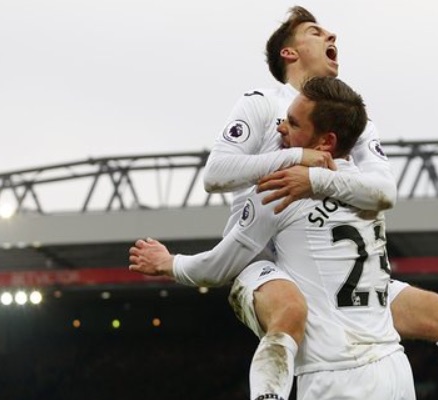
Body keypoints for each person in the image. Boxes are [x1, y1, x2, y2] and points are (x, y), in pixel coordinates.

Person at [202, 5, 438, 400]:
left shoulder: (352, 120)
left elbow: (383, 193)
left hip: (331, 266)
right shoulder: (261, 103)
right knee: (291, 311)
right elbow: (216, 174)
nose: (332, 37)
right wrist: (295, 157)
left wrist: (315, 177)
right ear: (289, 53)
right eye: (316, 32)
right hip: (259, 261)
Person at [130, 76, 416, 400]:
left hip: (336, 378)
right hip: (395, 370)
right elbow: (382, 191)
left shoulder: (283, 190)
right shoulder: (368, 190)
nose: (280, 129)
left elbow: (219, 266)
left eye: (292, 123)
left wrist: (169, 263)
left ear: (325, 142)